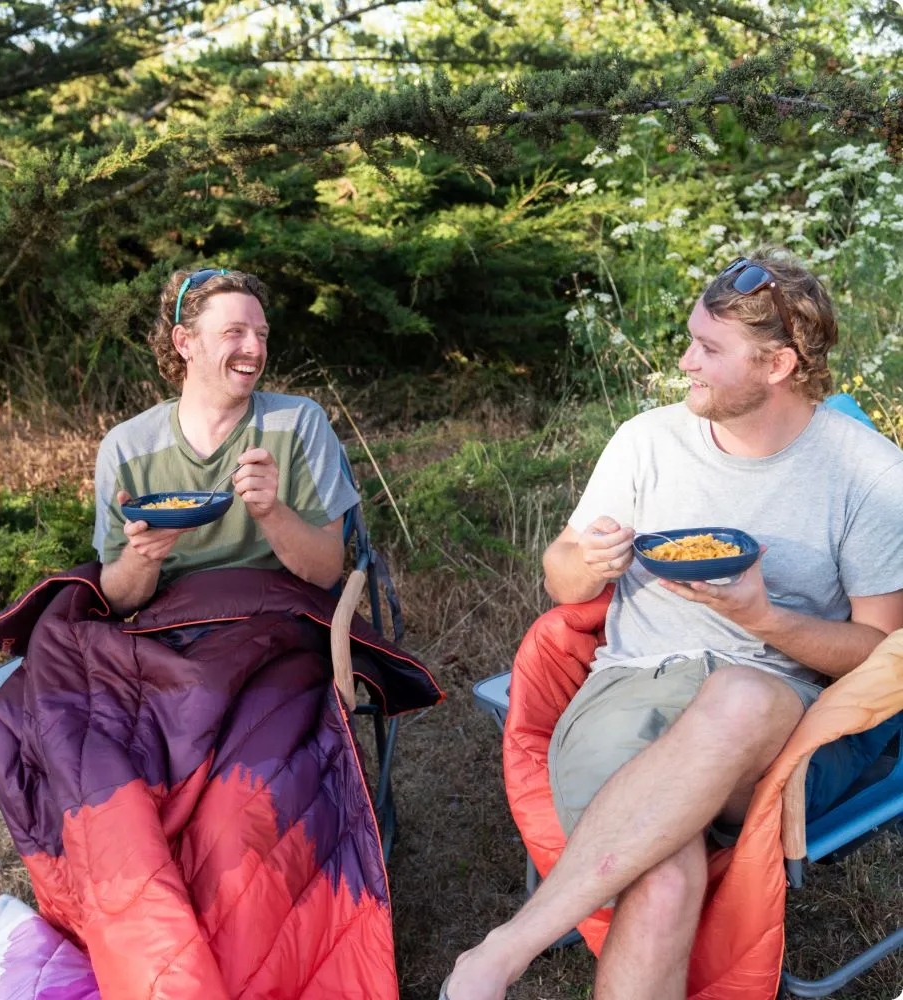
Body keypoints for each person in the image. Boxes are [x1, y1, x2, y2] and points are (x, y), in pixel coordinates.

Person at [441, 250, 903, 1000]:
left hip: (783, 728)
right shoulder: (647, 440)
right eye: (690, 338)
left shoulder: (870, 476)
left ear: (779, 364)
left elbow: (879, 653)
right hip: (632, 689)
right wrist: (585, 560)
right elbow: (559, 579)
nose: (684, 361)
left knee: (744, 696)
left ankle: (507, 946)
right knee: (661, 878)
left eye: (708, 349)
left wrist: (764, 618)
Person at [93, 267, 359, 617]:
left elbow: (326, 572)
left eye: (261, 335)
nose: (255, 349)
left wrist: (271, 513)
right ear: (183, 342)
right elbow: (116, 601)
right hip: (170, 635)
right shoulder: (127, 447)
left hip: (277, 625)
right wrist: (144, 555)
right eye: (235, 332)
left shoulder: (298, 424)